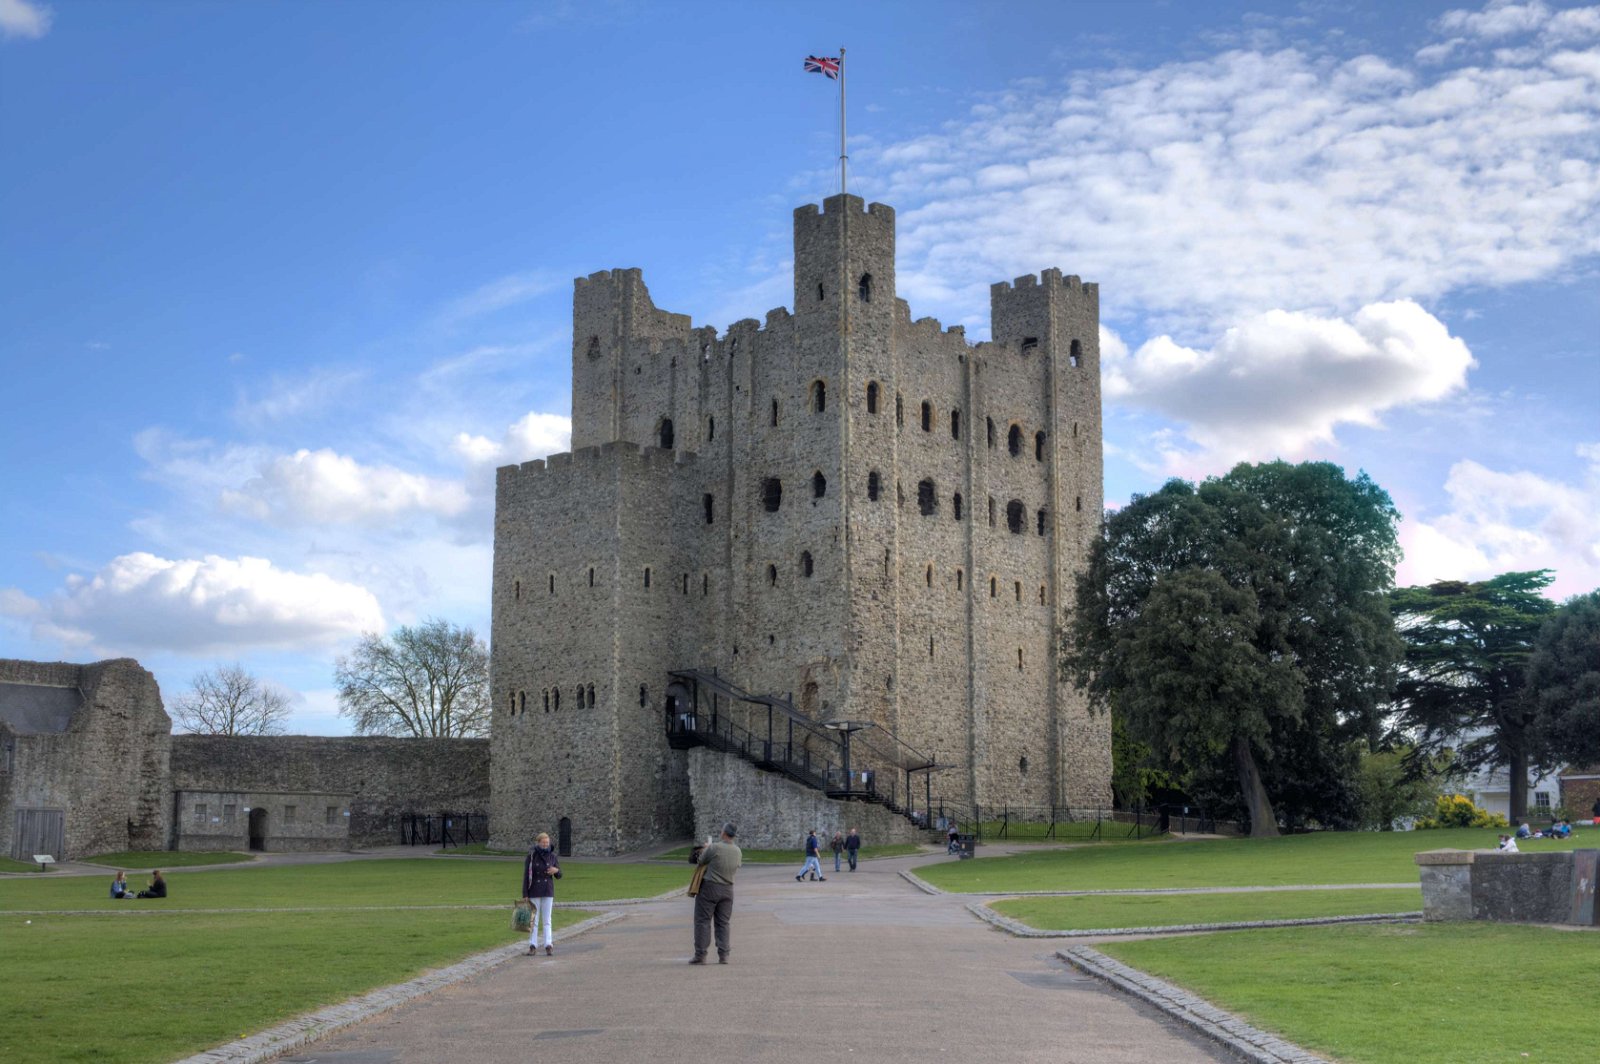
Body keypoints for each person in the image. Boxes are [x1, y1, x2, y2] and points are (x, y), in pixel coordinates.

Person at [690, 822, 741, 965]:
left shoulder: (715, 847)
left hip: (710, 887)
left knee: (703, 921)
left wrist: (705, 849)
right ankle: (724, 955)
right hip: (728, 889)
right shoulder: (737, 850)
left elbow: (701, 861)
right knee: (723, 923)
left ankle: (701, 955)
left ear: (723, 833)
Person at [522, 831, 561, 955]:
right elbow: (526, 876)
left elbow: (559, 875)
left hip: (547, 890)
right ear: (538, 843)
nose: (545, 844)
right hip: (534, 890)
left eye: (547, 842)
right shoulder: (532, 856)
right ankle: (532, 945)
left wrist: (556, 870)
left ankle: (548, 945)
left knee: (547, 920)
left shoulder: (552, 856)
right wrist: (525, 894)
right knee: (534, 920)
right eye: (543, 842)